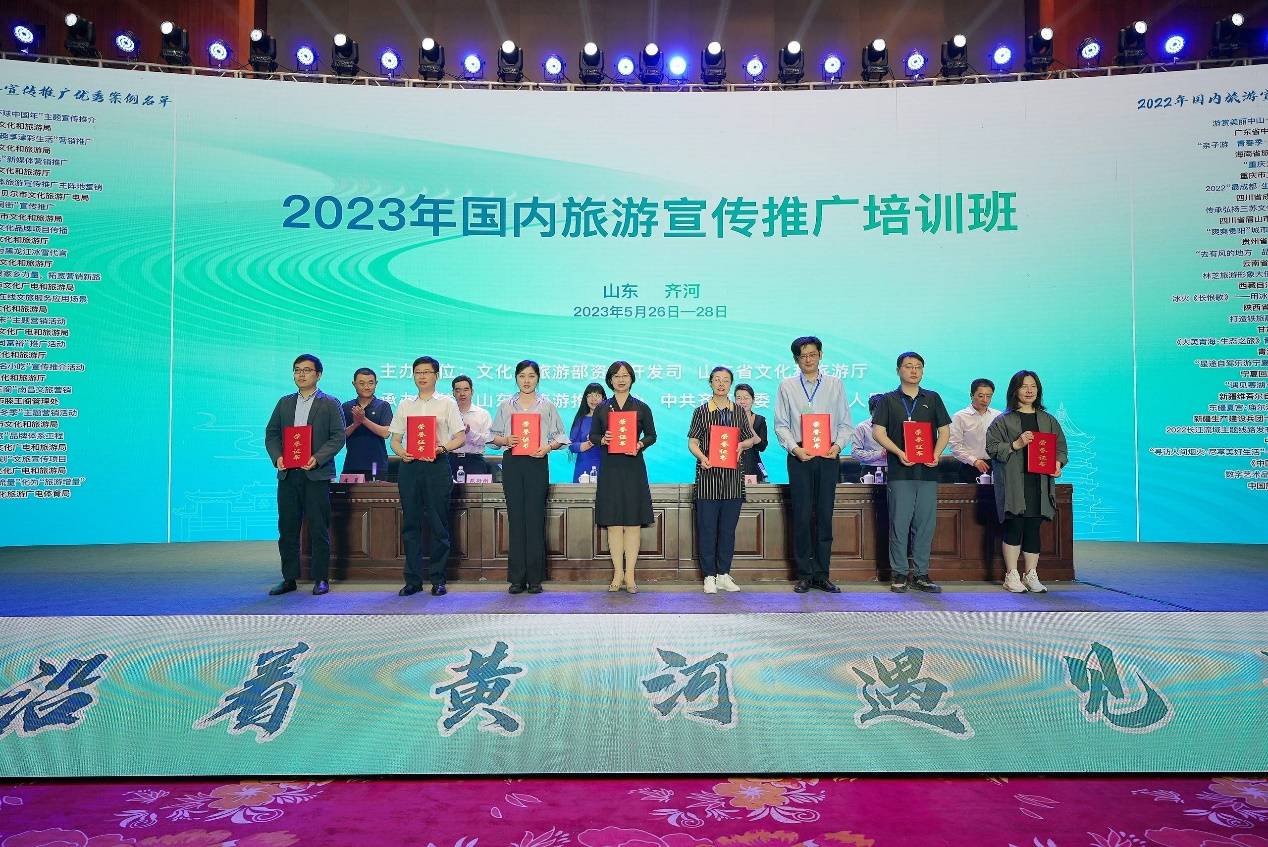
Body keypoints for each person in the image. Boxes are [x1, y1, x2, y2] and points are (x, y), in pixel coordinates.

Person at [773, 336, 854, 593]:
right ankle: (804, 575)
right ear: (796, 359)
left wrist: (837, 446)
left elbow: (845, 423)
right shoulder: (787, 385)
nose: (808, 359)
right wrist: (795, 448)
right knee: (801, 515)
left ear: (820, 355)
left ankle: (822, 574)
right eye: (802, 356)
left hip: (828, 455)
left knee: (824, 515)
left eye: (812, 354)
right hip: (800, 456)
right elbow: (781, 425)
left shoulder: (835, 384)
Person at [264, 354, 346, 597]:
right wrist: (278, 457)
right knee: (287, 528)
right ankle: (289, 578)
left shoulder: (330, 403)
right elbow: (272, 434)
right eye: (297, 370)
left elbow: (338, 436)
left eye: (307, 370)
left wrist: (318, 458)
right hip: (288, 475)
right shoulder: (284, 403)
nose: (301, 374)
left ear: (318, 374)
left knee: (318, 529)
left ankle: (321, 578)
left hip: (316, 475)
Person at [872, 351, 952, 594]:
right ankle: (899, 572)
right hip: (901, 472)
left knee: (925, 525)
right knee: (899, 524)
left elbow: (944, 431)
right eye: (908, 366)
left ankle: (921, 574)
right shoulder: (888, 399)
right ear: (898, 370)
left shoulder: (933, 398)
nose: (914, 370)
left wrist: (936, 454)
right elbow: (878, 432)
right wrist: (898, 452)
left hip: (927, 472)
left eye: (918, 366)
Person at [489, 360, 570, 594]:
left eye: (531, 376)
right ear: (516, 378)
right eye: (522, 376)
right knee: (516, 519)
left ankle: (535, 578)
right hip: (513, 463)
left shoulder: (547, 405)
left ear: (538, 379)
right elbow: (492, 437)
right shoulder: (506, 405)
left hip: (537, 462)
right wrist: (505, 440)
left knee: (535, 519)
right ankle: (517, 578)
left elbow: (561, 437)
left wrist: (548, 447)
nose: (526, 380)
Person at [389, 356, 466, 598]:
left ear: (436, 376)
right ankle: (412, 580)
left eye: (427, 372)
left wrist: (442, 448)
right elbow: (395, 440)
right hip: (410, 467)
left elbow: (460, 436)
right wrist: (401, 452)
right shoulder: (405, 404)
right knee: (410, 524)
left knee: (438, 523)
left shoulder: (447, 403)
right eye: (418, 372)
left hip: (437, 466)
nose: (422, 376)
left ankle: (438, 579)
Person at [985, 370, 1068, 594]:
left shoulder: (1048, 420)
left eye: (1033, 386)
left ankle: (1031, 575)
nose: (1029, 390)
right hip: (1014, 483)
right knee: (1014, 526)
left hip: (1039, 483)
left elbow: (1060, 448)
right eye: (1024, 386)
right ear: (1015, 390)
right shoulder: (1002, 420)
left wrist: (1058, 463)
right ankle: (1011, 575)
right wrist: (1016, 445)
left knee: (1033, 528)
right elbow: (991, 448)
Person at [688, 367, 758, 593]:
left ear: (730, 384)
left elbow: (750, 439)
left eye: (725, 380)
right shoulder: (701, 411)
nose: (721, 384)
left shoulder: (738, 411)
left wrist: (741, 445)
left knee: (727, 531)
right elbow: (692, 442)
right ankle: (709, 576)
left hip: (732, 481)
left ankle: (723, 574)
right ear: (710, 383)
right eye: (717, 380)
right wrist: (702, 457)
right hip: (708, 479)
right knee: (707, 530)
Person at [589, 361, 657, 593]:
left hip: (633, 467)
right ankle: (618, 573)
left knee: (633, 523)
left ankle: (630, 575)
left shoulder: (641, 407)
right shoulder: (602, 408)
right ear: (610, 380)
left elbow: (652, 435)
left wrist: (640, 444)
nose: (621, 379)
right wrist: (603, 439)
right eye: (617, 376)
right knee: (614, 523)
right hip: (610, 468)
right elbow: (593, 435)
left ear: (632, 379)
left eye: (625, 375)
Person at [340, 367, 392, 479]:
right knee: (347, 491)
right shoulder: (346, 407)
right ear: (354, 384)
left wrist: (363, 420)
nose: (367, 387)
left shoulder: (383, 406)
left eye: (370, 383)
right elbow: (340, 436)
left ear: (376, 384)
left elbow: (386, 433)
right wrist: (355, 424)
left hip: (376, 465)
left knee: (375, 490)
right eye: (362, 383)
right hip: (351, 464)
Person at [949, 378, 1002, 484]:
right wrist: (974, 461)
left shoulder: (998, 416)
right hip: (970, 467)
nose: (985, 400)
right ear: (972, 395)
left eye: (989, 396)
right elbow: (955, 445)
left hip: (995, 466)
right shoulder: (960, 416)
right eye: (981, 396)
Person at [449, 374, 493, 479]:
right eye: (458, 390)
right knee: (447, 489)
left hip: (475, 461)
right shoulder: (447, 414)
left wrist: (470, 433)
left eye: (466, 390)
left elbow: (489, 440)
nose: (462, 394)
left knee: (476, 490)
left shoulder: (483, 414)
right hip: (450, 460)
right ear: (453, 393)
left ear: (472, 392)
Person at [568, 382, 607, 482]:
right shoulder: (581, 419)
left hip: (606, 467)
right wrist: (590, 443)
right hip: (584, 468)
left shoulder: (610, 419)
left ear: (603, 398)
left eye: (597, 395)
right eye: (590, 396)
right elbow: (571, 445)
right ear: (585, 399)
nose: (593, 399)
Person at [734, 383, 768, 482]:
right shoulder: (728, 419)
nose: (742, 401)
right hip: (733, 466)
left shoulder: (759, 420)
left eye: (746, 398)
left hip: (753, 465)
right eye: (739, 398)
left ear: (753, 400)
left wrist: (750, 429)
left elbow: (762, 447)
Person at [850, 393, 889, 479]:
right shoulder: (862, 427)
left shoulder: (893, 426)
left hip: (893, 470)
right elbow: (855, 453)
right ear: (871, 411)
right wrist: (880, 454)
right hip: (870, 470)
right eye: (879, 411)